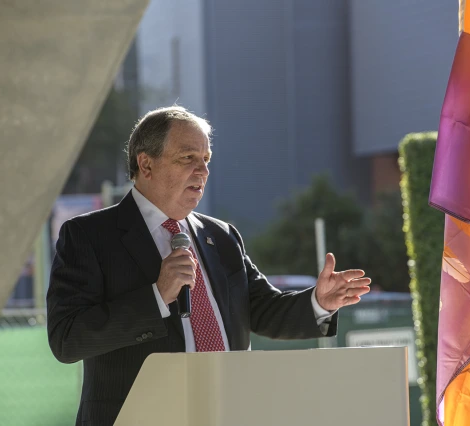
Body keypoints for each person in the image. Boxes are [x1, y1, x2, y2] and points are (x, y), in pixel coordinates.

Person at [47, 106, 371, 426]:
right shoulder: (89, 236)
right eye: (188, 158)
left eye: (206, 160)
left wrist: (318, 302)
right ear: (145, 164)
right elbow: (66, 338)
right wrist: (157, 296)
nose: (202, 171)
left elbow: (263, 309)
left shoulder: (222, 236)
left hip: (224, 412)